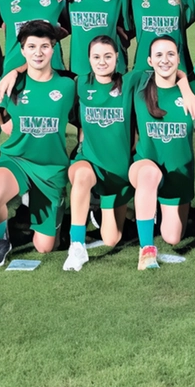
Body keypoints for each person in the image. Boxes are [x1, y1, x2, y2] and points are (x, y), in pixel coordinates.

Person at [0, 21, 76, 267]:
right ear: (22, 50)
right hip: (17, 160)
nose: (38, 52)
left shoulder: (69, 84)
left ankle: (57, 216)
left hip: (51, 169)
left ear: (54, 48)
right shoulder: (12, 83)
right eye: (31, 46)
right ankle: (0, 240)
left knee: (44, 247)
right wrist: (3, 124)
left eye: (45, 46)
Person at [129, 37, 195, 269]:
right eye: (159, 55)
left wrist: (185, 88)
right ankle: (146, 250)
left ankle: (154, 207)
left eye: (171, 54)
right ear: (149, 60)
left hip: (179, 174)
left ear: (179, 58)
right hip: (146, 165)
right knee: (150, 175)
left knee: (172, 237)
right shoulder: (138, 83)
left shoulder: (193, 93)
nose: (165, 60)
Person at [65, 36, 132, 270]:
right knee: (82, 175)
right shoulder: (80, 83)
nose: (102, 62)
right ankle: (77, 245)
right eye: (96, 57)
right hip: (89, 161)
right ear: (89, 60)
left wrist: (184, 84)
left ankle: (100, 202)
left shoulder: (130, 83)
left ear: (117, 58)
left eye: (107, 56)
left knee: (112, 239)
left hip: (118, 171)